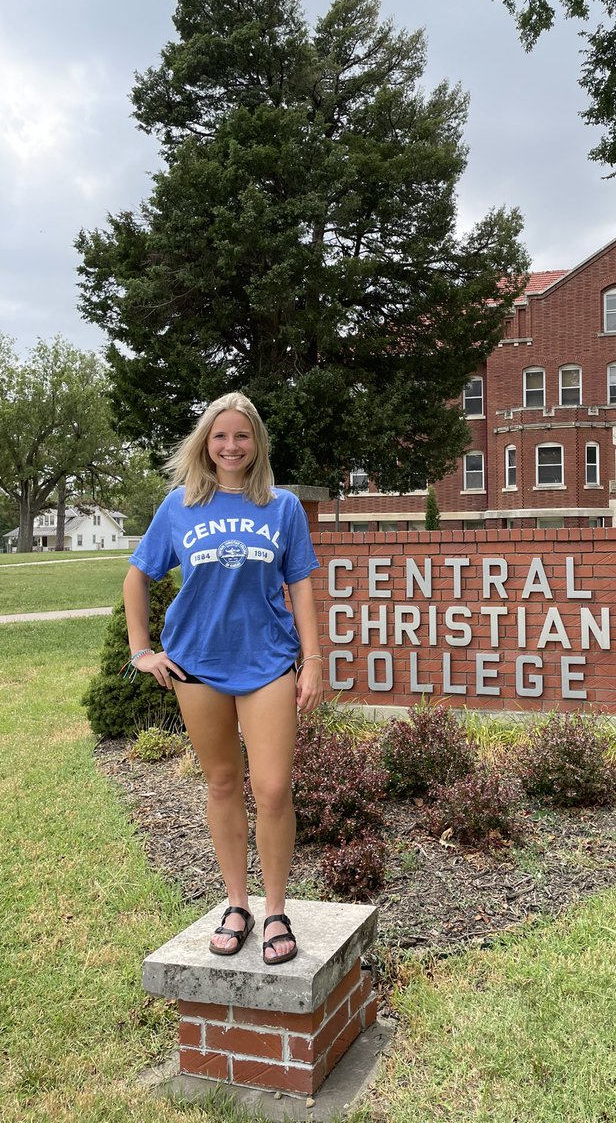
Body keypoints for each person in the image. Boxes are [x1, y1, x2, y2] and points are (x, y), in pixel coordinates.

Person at [123, 392, 324, 965]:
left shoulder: (282, 507)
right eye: (220, 436)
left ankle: (276, 909)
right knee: (221, 783)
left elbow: (301, 585)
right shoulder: (180, 505)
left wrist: (313, 660)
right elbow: (137, 577)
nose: (231, 446)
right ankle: (237, 904)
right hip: (197, 665)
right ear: (205, 443)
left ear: (256, 442)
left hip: (267, 662)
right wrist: (142, 651)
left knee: (274, 788)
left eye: (241, 435)